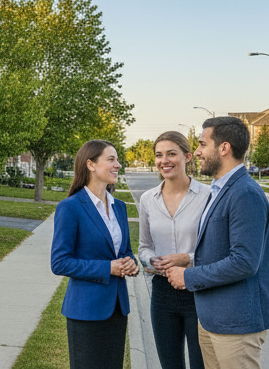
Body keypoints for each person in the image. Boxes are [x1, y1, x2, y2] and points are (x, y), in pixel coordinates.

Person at [166, 116, 269, 369]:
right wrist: (189, 258)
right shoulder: (220, 189)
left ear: (224, 148)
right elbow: (220, 247)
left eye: (202, 144)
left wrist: (189, 276)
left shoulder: (245, 193)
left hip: (236, 323)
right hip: (213, 319)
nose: (197, 152)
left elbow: (244, 262)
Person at [50, 139, 137, 369]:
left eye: (117, 160)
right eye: (111, 159)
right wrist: (109, 268)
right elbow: (60, 263)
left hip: (117, 309)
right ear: (90, 164)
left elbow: (125, 250)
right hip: (85, 311)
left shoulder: (120, 206)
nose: (118, 164)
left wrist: (131, 263)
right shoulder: (70, 207)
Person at [138, 131, 210, 369]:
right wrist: (151, 261)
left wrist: (186, 259)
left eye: (171, 154)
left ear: (188, 157)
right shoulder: (148, 199)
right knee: (169, 364)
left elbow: (215, 250)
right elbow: (144, 247)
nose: (164, 160)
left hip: (198, 290)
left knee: (201, 364)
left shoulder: (208, 196)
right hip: (162, 293)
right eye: (159, 155)